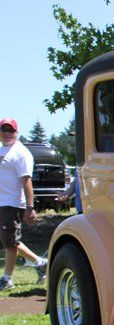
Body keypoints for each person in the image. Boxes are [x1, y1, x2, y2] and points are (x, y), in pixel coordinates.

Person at [0, 118, 47, 290]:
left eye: (10, 130)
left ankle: (7, 279)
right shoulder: (3, 150)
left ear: (16, 132)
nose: (6, 133)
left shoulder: (21, 152)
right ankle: (40, 263)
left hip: (12, 204)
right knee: (9, 241)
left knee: (10, 242)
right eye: (3, 130)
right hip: (2, 203)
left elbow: (27, 180)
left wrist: (30, 206)